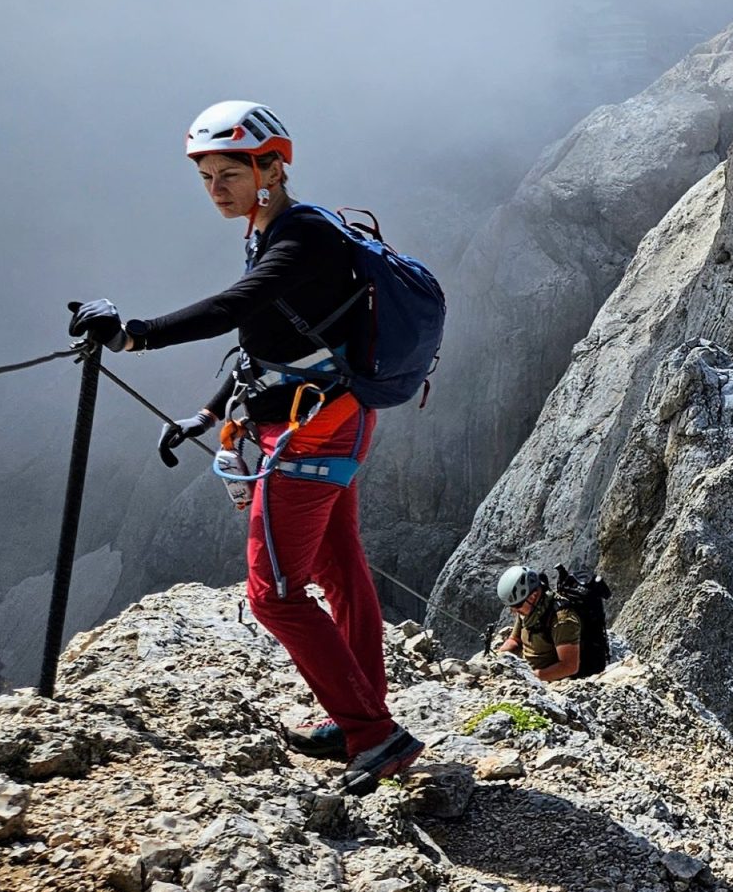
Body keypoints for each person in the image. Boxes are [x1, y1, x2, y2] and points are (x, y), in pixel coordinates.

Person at [67, 100, 423, 794]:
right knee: (338, 567)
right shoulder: (275, 229)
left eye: (230, 173)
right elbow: (264, 335)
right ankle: (360, 715)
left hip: (311, 428)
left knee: (273, 595)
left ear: (272, 166)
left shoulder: (300, 239)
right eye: (206, 177)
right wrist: (205, 413)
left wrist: (132, 334)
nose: (216, 189)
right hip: (325, 415)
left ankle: (373, 737)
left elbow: (236, 306)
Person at [494, 565, 583, 682]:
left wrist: (530, 678)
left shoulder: (562, 621)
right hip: (526, 669)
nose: (514, 611)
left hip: (547, 680)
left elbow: (569, 666)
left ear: (533, 596)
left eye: (517, 606)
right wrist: (499, 657)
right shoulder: (528, 609)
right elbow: (514, 640)